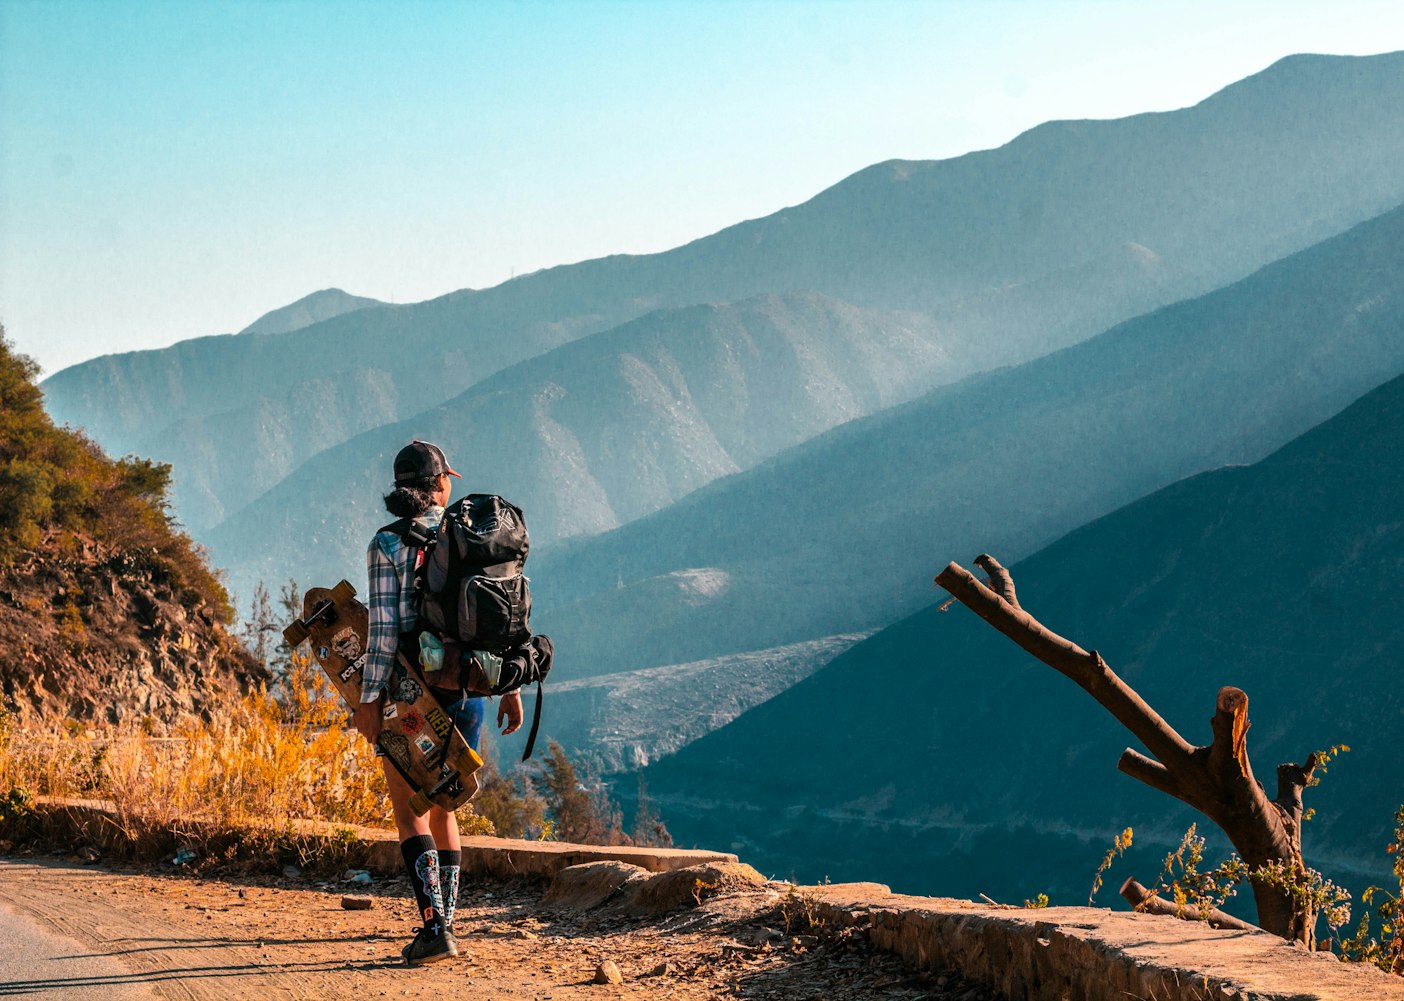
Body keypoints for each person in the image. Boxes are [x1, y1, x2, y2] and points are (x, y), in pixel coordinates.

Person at [351, 439, 524, 966]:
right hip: (469, 688)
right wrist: (510, 685)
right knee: (448, 802)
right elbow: (499, 619)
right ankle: (446, 922)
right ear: (439, 484)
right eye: (447, 477)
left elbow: (382, 634)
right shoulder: (467, 535)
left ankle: (434, 930)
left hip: (410, 695)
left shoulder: (387, 544)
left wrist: (367, 700)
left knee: (410, 812)